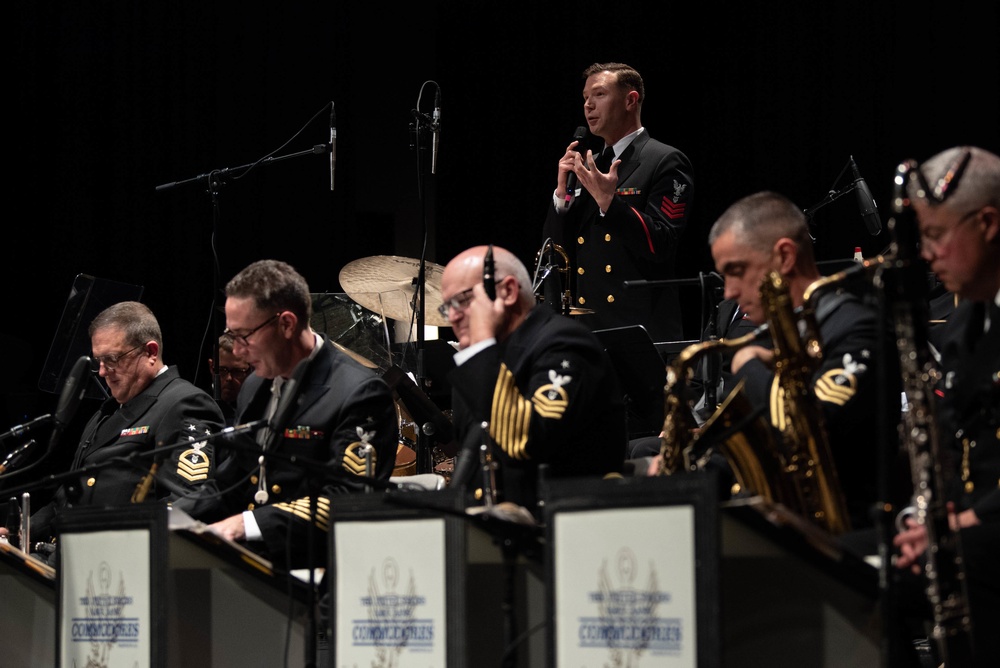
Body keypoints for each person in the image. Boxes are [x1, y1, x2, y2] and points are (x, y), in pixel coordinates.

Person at [700, 191, 904, 531]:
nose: (729, 292)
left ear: (784, 256)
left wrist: (749, 365)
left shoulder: (857, 325)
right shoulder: (765, 336)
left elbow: (812, 426)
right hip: (774, 530)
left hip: (846, 540)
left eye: (737, 270)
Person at [206, 259, 398, 570]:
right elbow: (233, 476)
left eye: (245, 336)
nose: (238, 351)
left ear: (286, 324)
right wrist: (173, 516)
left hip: (317, 571)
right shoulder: (255, 385)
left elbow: (349, 500)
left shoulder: (359, 393)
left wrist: (248, 524)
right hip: (253, 563)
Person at [2, 301, 226, 555]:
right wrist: (22, 529)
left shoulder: (184, 403)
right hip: (67, 557)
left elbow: (188, 500)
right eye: (98, 360)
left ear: (151, 352)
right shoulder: (105, 413)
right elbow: (68, 499)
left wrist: (112, 541)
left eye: (111, 359)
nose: (102, 371)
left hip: (122, 563)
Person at [891, 146, 999, 668]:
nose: (926, 255)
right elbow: (950, 444)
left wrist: (965, 523)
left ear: (988, 222)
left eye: (935, 235)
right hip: (970, 525)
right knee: (849, 558)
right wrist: (924, 518)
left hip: (991, 530)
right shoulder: (959, 325)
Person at [441, 245, 628, 518]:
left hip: (561, 530)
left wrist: (480, 349)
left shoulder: (564, 343)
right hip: (493, 533)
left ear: (506, 291)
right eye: (447, 307)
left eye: (462, 300)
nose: (453, 316)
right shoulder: (484, 360)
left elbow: (526, 440)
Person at [542, 62, 695, 343]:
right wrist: (561, 197)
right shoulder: (591, 164)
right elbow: (556, 254)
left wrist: (609, 203)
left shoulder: (664, 160)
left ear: (630, 100)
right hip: (586, 327)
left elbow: (661, 242)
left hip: (639, 330)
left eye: (599, 95)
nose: (588, 105)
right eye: (585, 97)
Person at [207, 332, 251, 426]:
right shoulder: (199, 406)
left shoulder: (255, 407)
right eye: (222, 370)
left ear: (249, 370)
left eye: (237, 371)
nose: (229, 378)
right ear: (211, 367)